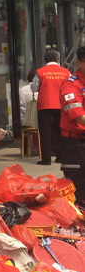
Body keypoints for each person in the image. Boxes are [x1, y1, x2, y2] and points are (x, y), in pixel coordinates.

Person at [32, 49, 70, 165]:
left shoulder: (40, 72)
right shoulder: (66, 73)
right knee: (61, 131)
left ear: (45, 60)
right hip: (61, 106)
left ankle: (46, 159)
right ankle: (60, 157)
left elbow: (34, 88)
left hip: (45, 105)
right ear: (58, 59)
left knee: (45, 132)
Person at [59, 47, 85, 200]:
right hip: (75, 144)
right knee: (79, 189)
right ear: (78, 63)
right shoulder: (70, 85)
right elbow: (77, 115)